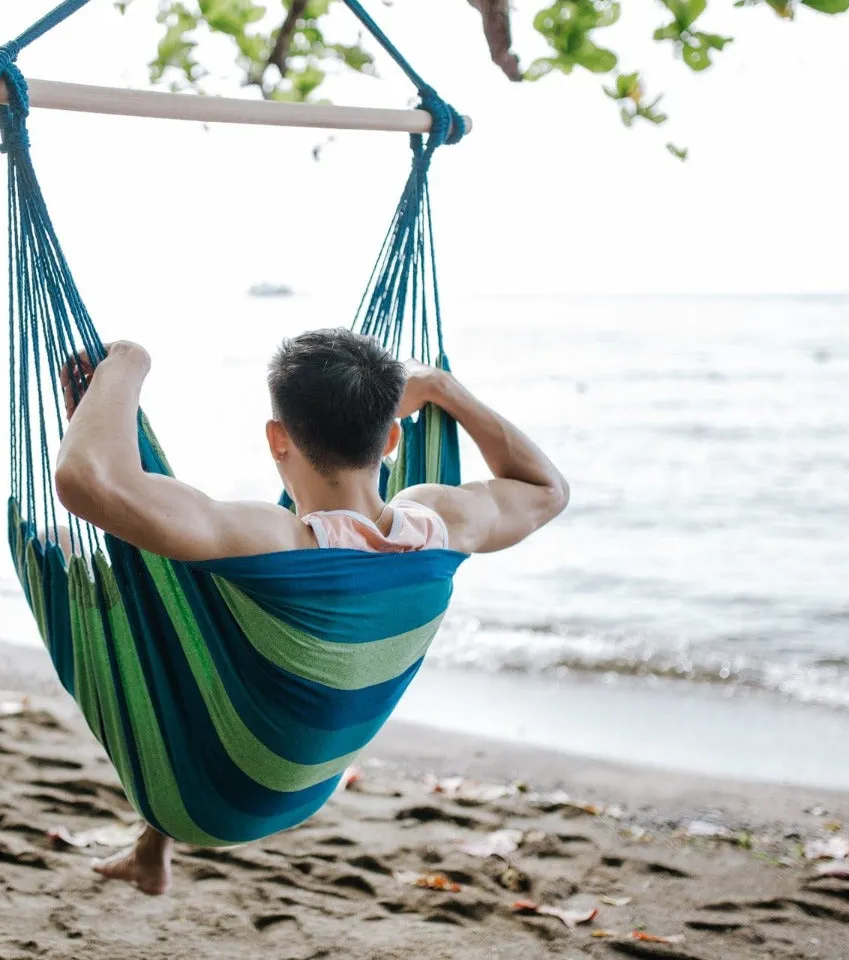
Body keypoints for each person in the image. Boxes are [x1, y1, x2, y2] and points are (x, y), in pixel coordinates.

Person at [51, 328, 569, 895]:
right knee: (212, 638)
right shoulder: (443, 525)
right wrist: (445, 389)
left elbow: (88, 479)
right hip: (304, 787)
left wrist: (129, 361)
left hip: (212, 797)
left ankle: (155, 844)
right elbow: (547, 489)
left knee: (168, 613)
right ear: (392, 438)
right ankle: (151, 855)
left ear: (278, 439)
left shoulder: (272, 541)